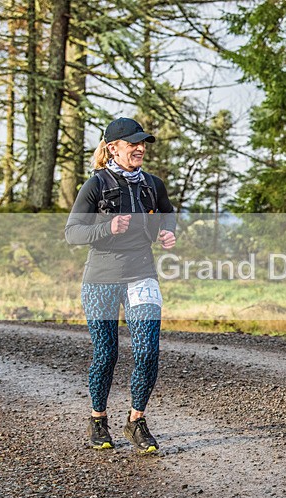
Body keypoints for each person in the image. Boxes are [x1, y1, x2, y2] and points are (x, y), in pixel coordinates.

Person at [65, 117, 177, 453]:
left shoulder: (153, 184)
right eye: (133, 143)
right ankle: (99, 420)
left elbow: (168, 213)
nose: (140, 148)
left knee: (147, 351)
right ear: (114, 148)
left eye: (143, 143)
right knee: (106, 353)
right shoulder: (95, 184)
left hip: (142, 273)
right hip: (101, 279)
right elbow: (72, 233)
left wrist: (168, 231)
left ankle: (136, 422)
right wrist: (107, 228)